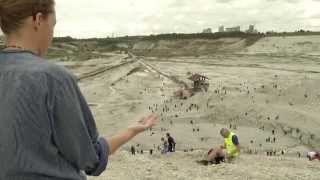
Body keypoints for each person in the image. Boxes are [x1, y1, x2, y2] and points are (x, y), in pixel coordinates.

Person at [0, 1, 157, 179]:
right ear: (38, 20)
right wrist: (131, 131)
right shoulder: (53, 78)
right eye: (53, 25)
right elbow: (91, 159)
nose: (52, 34)